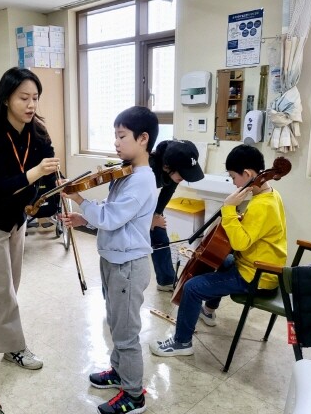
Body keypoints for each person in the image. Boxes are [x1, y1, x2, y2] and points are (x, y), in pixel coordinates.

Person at [61, 106, 158, 414]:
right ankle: (119, 372)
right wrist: (84, 218)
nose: (116, 143)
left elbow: (113, 217)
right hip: (114, 259)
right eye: (115, 136)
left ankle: (134, 394)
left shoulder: (142, 179)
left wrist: (78, 198)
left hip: (128, 265)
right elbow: (110, 210)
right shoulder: (125, 173)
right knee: (116, 322)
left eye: (122, 136)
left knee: (126, 330)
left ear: (143, 139)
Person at [149, 144, 287, 357]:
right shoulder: (270, 195)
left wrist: (229, 209)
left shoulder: (263, 205)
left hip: (255, 276)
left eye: (233, 177)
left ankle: (182, 342)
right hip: (262, 267)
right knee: (219, 258)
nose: (233, 183)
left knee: (193, 287)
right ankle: (209, 311)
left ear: (248, 174)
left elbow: (241, 243)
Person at [0, 67, 60, 370]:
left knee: (9, 281)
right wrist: (35, 172)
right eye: (24, 97)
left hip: (17, 217)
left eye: (35, 98)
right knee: (1, 286)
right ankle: (13, 347)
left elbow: (49, 171)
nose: (31, 104)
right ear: (7, 98)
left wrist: (57, 186)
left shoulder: (37, 132)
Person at [149, 140, 204, 292]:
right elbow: (135, 200)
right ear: (167, 166)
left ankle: (166, 280)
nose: (185, 178)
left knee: (160, 235)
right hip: (130, 207)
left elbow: (168, 191)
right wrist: (149, 219)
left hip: (148, 205)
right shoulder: (148, 169)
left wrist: (157, 215)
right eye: (183, 174)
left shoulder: (171, 169)